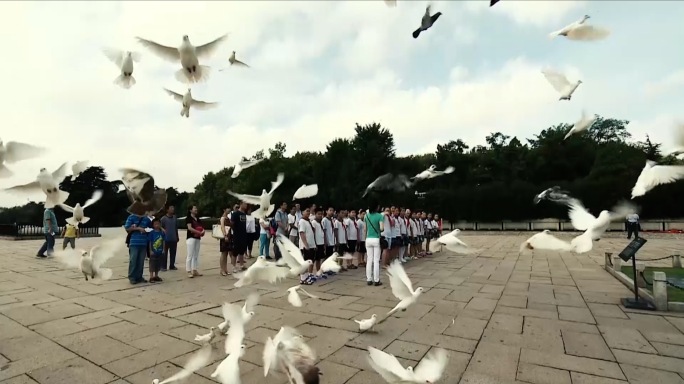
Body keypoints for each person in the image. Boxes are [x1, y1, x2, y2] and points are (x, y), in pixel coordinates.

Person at [124, 212, 152, 284]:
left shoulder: (146, 219)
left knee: (141, 261)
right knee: (133, 260)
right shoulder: (131, 217)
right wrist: (138, 228)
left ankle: (139, 277)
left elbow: (151, 228)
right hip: (134, 242)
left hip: (143, 242)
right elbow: (127, 228)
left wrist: (146, 230)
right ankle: (132, 277)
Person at [364, 204, 384, 286]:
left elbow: (365, 229)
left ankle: (369, 279)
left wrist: (365, 238)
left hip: (368, 239)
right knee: (376, 260)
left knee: (369, 260)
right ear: (377, 208)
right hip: (376, 238)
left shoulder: (366, 216)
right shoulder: (380, 216)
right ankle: (376, 280)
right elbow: (382, 228)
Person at [298, 208, 317, 285]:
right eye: (306, 211)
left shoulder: (308, 221)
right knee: (305, 262)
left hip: (311, 245)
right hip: (306, 246)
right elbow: (302, 233)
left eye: (309, 211)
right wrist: (305, 245)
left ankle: (306, 277)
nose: (308, 213)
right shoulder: (302, 221)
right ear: (302, 212)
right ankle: (303, 278)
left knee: (310, 261)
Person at [185, 205, 205, 278]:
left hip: (197, 238)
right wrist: (198, 232)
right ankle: (188, 270)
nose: (196, 209)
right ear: (190, 210)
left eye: (196, 208)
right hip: (191, 238)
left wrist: (203, 231)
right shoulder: (188, 218)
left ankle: (194, 269)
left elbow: (201, 227)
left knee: (196, 255)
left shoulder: (197, 219)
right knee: (190, 255)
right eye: (194, 208)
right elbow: (189, 228)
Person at [160, 205, 179, 271]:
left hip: (173, 238)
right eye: (171, 208)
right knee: (164, 253)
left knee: (173, 253)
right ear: (167, 210)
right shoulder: (163, 218)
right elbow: (159, 226)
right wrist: (162, 230)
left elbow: (176, 228)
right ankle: (163, 266)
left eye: (173, 208)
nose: (172, 209)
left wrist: (177, 236)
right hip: (165, 239)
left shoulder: (175, 218)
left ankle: (172, 265)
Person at [231, 202, 249, 272]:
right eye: (245, 204)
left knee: (242, 250)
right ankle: (233, 266)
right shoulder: (235, 214)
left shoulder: (244, 214)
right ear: (241, 204)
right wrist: (235, 231)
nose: (246, 205)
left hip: (243, 234)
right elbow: (232, 224)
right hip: (237, 235)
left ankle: (241, 265)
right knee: (235, 251)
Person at [148, 218, 165, 283]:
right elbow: (150, 242)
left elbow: (163, 241)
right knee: (152, 264)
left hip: (160, 251)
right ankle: (151, 276)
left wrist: (163, 249)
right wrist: (150, 250)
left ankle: (156, 275)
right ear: (153, 225)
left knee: (158, 264)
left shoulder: (162, 233)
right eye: (155, 224)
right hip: (153, 251)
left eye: (158, 224)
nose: (157, 225)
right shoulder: (152, 233)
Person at [312, 209, 326, 278]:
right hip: (317, 243)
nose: (320, 215)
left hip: (321, 242)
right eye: (318, 214)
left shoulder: (320, 222)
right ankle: (316, 272)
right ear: (315, 214)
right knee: (316, 259)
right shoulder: (314, 222)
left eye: (321, 214)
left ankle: (319, 271)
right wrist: (314, 243)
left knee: (320, 258)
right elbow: (313, 233)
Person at [219, 208, 232, 276]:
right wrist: (225, 235)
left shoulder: (228, 218)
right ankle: (222, 269)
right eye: (227, 209)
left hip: (229, 237)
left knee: (226, 253)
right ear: (224, 209)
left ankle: (225, 269)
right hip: (224, 237)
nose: (229, 210)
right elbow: (222, 227)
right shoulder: (223, 218)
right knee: (223, 254)